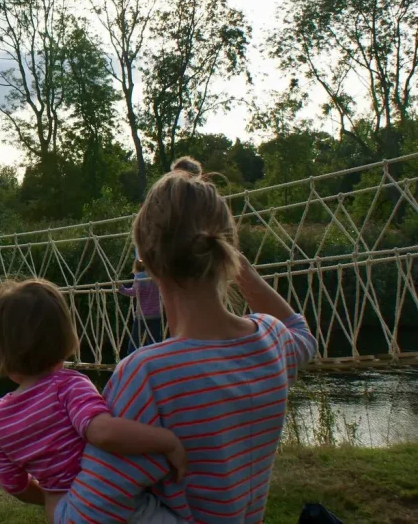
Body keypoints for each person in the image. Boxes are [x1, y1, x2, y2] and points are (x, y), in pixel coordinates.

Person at [56, 156, 318, 524]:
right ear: (226, 251)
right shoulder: (271, 340)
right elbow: (301, 332)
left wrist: (50, 496)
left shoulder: (148, 374)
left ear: (146, 257)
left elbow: (84, 517)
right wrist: (236, 262)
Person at [0, 279, 187, 524]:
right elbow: (103, 433)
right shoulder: (67, 386)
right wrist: (168, 441)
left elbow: (14, 485)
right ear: (64, 338)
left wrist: (55, 498)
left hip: (61, 513)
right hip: (102, 499)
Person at [118, 259, 163, 354]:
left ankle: (130, 358)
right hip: (156, 314)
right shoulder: (155, 276)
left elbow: (134, 292)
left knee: (135, 340)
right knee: (154, 341)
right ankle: (154, 358)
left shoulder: (138, 278)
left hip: (142, 315)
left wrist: (121, 288)